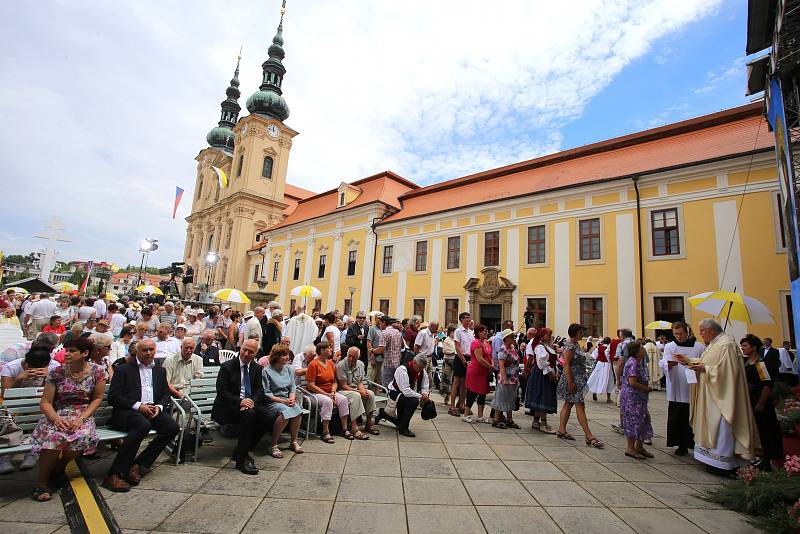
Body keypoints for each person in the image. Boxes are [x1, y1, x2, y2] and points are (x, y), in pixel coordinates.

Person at [677, 319, 758, 476]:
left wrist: (704, 368)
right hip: (711, 393)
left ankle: (723, 462)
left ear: (711, 330)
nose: (699, 333)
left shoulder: (726, 345)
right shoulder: (715, 344)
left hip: (722, 396)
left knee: (721, 428)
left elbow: (727, 371)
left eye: (702, 330)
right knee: (713, 426)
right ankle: (711, 460)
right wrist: (688, 361)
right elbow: (708, 363)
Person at [30, 337, 106, 502]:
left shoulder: (98, 371)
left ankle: (58, 467)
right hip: (58, 413)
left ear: (85, 353)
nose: (67, 354)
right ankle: (42, 482)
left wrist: (82, 418)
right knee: (53, 438)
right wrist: (55, 418)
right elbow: (45, 402)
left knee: (80, 436)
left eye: (72, 351)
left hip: (83, 414)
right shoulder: (56, 372)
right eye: (67, 350)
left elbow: (97, 398)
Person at [103, 339, 180, 492]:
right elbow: (114, 397)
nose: (149, 353)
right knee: (142, 425)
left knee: (172, 427)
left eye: (151, 349)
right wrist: (139, 406)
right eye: (144, 350)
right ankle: (115, 474)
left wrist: (158, 407)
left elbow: (165, 394)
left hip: (152, 409)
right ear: (137, 352)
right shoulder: (123, 370)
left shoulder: (159, 370)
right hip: (128, 411)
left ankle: (139, 465)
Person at [211, 339, 272, 475]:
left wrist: (250, 401)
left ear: (255, 354)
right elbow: (222, 391)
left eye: (250, 352)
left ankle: (241, 450)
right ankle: (241, 460)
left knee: (268, 416)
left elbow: (260, 390)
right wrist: (240, 402)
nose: (245, 353)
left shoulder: (257, 368)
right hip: (229, 406)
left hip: (249, 404)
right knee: (249, 415)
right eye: (244, 349)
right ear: (240, 348)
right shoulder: (227, 367)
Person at [659, 321, 703, 456]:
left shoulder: (699, 347)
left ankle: (694, 443)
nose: (678, 336)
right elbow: (664, 361)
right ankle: (680, 444)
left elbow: (703, 361)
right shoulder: (671, 346)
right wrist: (669, 364)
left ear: (687, 332)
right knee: (677, 416)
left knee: (692, 416)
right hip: (677, 386)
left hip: (693, 385)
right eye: (675, 334)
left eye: (681, 333)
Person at [556, 323, 604, 448]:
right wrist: (570, 382)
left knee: (568, 403)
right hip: (573, 380)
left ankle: (561, 429)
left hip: (577, 379)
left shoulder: (575, 344)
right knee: (580, 406)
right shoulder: (570, 346)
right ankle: (589, 436)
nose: (582, 334)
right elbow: (566, 364)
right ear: (576, 333)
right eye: (581, 332)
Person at [740, 334, 783, 470]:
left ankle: (769, 458)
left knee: (765, 428)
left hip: (759, 398)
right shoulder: (747, 362)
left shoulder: (760, 363)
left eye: (745, 345)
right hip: (750, 398)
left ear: (754, 347)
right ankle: (760, 456)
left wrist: (761, 402)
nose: (743, 348)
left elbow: (766, 385)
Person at [262, 344, 304, 457]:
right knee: (285, 413)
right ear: (276, 356)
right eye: (284, 355)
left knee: (298, 411)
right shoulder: (266, 371)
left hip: (287, 399)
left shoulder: (289, 369)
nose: (287, 357)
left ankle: (293, 442)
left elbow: (293, 387)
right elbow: (267, 393)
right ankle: (273, 445)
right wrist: (283, 401)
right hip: (272, 401)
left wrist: (291, 398)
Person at [305, 341, 351, 443]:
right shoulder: (313, 364)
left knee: (343, 399)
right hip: (315, 394)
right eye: (329, 348)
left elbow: (335, 380)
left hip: (330, 392)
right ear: (322, 350)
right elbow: (310, 385)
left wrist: (333, 392)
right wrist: (327, 394)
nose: (331, 350)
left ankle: (344, 429)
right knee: (327, 401)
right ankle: (325, 431)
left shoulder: (330, 363)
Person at [376, 354, 431, 437]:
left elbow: (425, 386)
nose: (420, 370)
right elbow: (406, 391)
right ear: (414, 362)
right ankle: (404, 428)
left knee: (399, 421)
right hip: (396, 394)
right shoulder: (402, 369)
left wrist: (425, 394)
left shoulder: (422, 371)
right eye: (419, 367)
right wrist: (420, 396)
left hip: (407, 395)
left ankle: (384, 414)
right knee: (414, 401)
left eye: (422, 368)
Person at [619, 341, 654, 459]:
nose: (644, 349)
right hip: (632, 399)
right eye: (642, 348)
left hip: (639, 398)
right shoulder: (633, 363)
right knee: (633, 421)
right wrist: (646, 388)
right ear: (637, 351)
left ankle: (639, 447)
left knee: (642, 420)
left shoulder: (638, 362)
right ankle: (630, 448)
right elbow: (632, 382)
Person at [337, 347, 378, 438]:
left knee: (370, 394)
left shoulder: (361, 364)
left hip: (355, 389)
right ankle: (354, 428)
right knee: (356, 396)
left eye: (354, 357)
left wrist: (363, 390)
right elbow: (343, 386)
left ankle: (368, 424)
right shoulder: (341, 365)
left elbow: (360, 382)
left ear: (358, 357)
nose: (351, 359)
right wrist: (359, 391)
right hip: (343, 391)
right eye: (349, 356)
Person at [524, 327, 558, 433]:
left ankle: (535, 421)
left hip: (543, 374)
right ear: (542, 336)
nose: (550, 337)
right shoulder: (540, 347)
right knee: (543, 397)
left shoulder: (545, 346)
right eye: (548, 335)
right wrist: (551, 373)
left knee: (540, 397)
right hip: (542, 374)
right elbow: (541, 362)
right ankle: (543, 423)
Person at [491, 329, 521, 429]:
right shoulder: (503, 349)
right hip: (505, 378)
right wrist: (504, 378)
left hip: (513, 378)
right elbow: (501, 364)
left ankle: (510, 420)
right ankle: (496, 420)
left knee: (511, 398)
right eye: (511, 337)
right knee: (501, 398)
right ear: (506, 338)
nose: (513, 338)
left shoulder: (512, 348)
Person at [463, 324, 493, 423]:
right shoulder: (476, 343)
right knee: (473, 392)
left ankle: (480, 416)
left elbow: (489, 355)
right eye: (484, 331)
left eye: (486, 331)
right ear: (478, 332)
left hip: (484, 372)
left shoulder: (487, 343)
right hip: (476, 371)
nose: (486, 332)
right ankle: (466, 414)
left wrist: (490, 365)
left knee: (483, 393)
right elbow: (479, 359)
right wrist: (490, 366)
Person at [451, 312, 474, 417]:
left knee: (465, 383)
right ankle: (452, 406)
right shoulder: (458, 331)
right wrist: (464, 360)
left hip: (469, 357)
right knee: (456, 382)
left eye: (469, 318)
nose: (469, 320)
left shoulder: (470, 332)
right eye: (466, 318)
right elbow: (457, 347)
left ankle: (461, 404)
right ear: (461, 320)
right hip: (460, 357)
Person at [378, 315, 403, 388]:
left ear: (384, 322)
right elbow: (402, 346)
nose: (380, 325)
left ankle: (388, 399)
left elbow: (381, 349)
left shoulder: (385, 333)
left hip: (388, 363)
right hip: (397, 362)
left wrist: (372, 350)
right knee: (395, 386)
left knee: (387, 386)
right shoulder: (398, 332)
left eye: (380, 323)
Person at [587, 336, 614, 403]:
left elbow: (594, 355)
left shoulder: (599, 347)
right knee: (608, 379)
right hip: (607, 365)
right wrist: (609, 361)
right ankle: (608, 398)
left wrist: (599, 358)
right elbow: (608, 355)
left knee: (597, 378)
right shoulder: (609, 348)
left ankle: (595, 392)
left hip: (599, 364)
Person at [414, 321, 438, 388]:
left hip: (429, 357)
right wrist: (418, 358)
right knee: (421, 377)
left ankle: (426, 393)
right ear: (431, 326)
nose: (436, 330)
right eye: (436, 328)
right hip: (423, 357)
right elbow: (416, 347)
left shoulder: (432, 334)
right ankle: (419, 392)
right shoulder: (423, 333)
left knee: (429, 378)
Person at [440, 325, 457, 404]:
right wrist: (454, 351)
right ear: (449, 333)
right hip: (448, 360)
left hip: (455, 360)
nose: (454, 334)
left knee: (454, 379)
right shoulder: (447, 340)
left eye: (455, 332)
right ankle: (446, 396)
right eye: (452, 332)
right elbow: (445, 351)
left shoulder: (455, 340)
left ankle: (451, 396)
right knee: (447, 378)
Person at [366, 314, 384, 389]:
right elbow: (369, 343)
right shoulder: (372, 328)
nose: (379, 320)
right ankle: (368, 392)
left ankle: (377, 392)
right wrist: (372, 356)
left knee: (379, 377)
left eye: (381, 319)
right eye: (378, 318)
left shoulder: (383, 329)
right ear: (375, 319)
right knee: (371, 376)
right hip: (374, 356)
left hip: (381, 357)